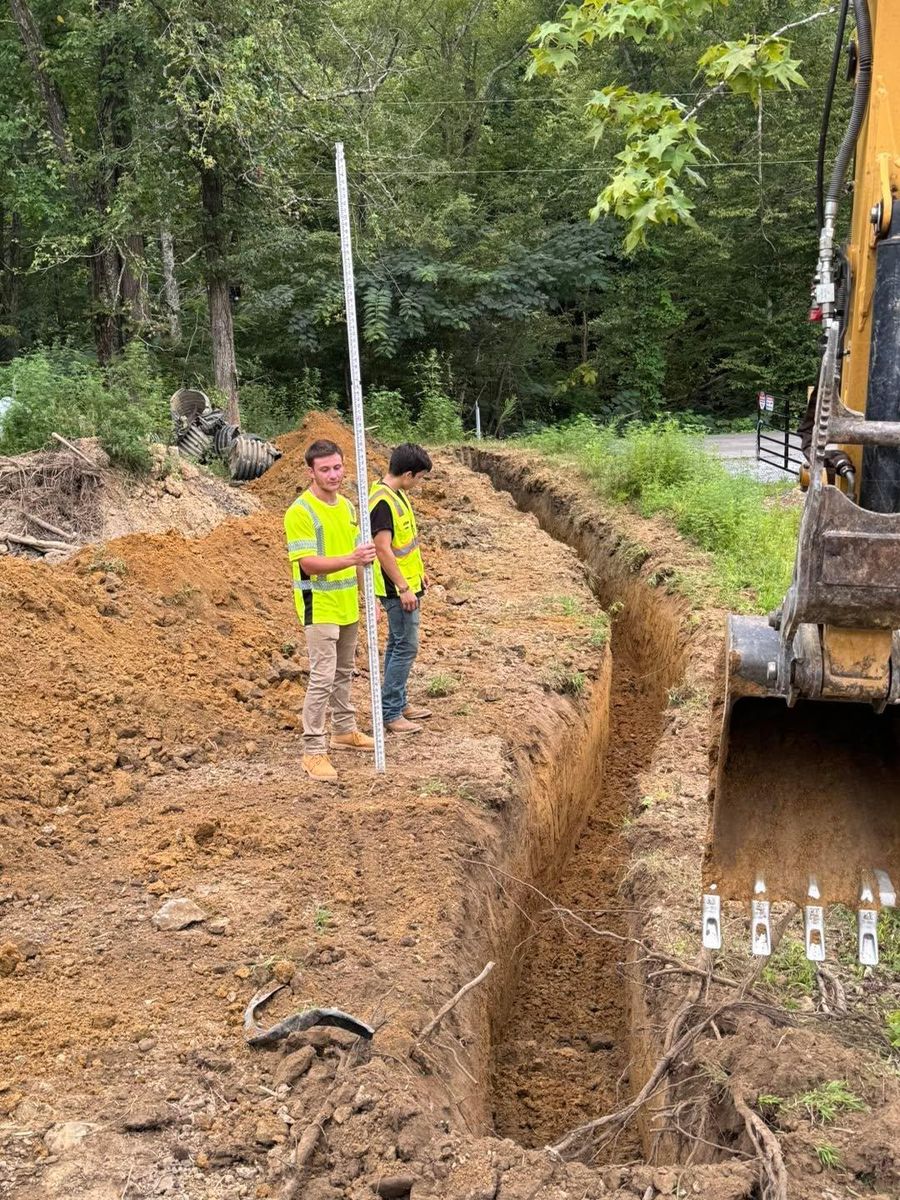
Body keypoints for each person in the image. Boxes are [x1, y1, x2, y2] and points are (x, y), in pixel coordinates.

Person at [285, 439, 377, 783]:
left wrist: (369, 596)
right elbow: (307, 563)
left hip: (346, 603)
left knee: (344, 671)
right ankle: (313, 750)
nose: (333, 474)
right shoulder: (301, 512)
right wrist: (352, 559)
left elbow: (360, 555)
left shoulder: (348, 507)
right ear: (311, 472)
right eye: (325, 469)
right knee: (322, 677)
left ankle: (343, 730)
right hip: (319, 606)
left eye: (337, 467)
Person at [369, 443, 433, 735]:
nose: (419, 483)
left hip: (407, 583)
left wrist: (419, 576)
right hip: (397, 590)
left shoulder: (397, 495)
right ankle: (391, 712)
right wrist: (404, 587)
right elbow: (382, 549)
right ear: (408, 474)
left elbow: (405, 545)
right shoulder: (383, 502)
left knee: (397, 644)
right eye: (419, 477)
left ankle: (399, 703)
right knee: (406, 646)